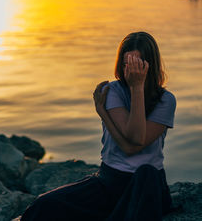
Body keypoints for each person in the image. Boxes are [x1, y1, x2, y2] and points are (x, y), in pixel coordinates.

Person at [21, 31, 176, 221]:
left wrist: (134, 91)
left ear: (149, 66)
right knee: (42, 206)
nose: (131, 72)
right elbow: (129, 145)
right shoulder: (112, 91)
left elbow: (135, 141)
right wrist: (105, 110)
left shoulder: (166, 101)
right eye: (127, 64)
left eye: (137, 65)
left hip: (147, 186)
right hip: (110, 182)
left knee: (146, 173)